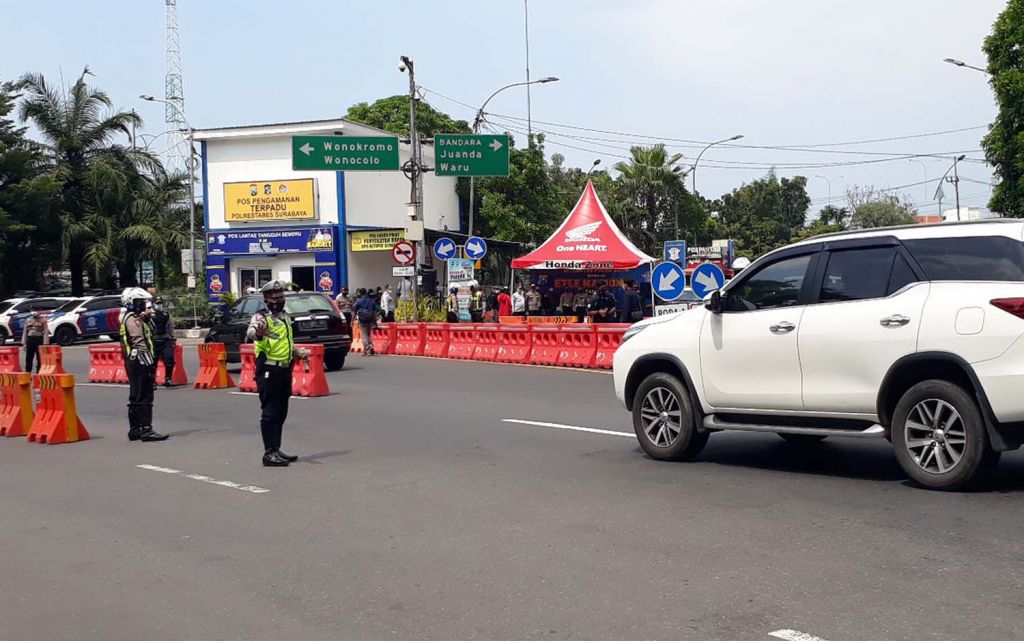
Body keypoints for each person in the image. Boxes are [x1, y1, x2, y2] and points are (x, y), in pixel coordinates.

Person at [246, 280, 309, 467]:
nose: (279, 300)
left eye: (281, 296)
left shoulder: (285, 317)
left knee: (281, 411)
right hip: (269, 369)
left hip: (284, 368)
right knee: (270, 412)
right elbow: (253, 331)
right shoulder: (262, 317)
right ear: (267, 299)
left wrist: (297, 352)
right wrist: (256, 332)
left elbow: (285, 342)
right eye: (275, 297)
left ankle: (276, 448)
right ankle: (269, 452)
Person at [119, 287, 168, 443]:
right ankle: (146, 430)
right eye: (140, 302)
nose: (144, 305)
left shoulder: (135, 318)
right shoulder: (132, 320)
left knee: (136, 395)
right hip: (140, 361)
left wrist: (145, 319)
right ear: (132, 303)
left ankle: (135, 430)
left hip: (134, 361)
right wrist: (150, 365)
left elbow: (150, 331)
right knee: (145, 396)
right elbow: (140, 343)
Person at [149, 295, 178, 387]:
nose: (159, 305)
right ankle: (152, 381)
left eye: (160, 303)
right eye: (157, 303)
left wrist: (173, 338)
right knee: (153, 363)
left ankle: (168, 379)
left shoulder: (166, 314)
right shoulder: (149, 315)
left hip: (166, 340)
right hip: (154, 341)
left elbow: (170, 327)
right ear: (153, 304)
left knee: (169, 361)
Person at [354, 289, 377, 356]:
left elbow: (354, 312)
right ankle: (371, 347)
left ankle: (367, 350)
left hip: (362, 320)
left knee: (364, 335)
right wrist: (375, 321)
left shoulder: (358, 301)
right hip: (370, 320)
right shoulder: (371, 301)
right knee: (369, 334)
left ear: (360, 293)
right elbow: (374, 312)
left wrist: (352, 320)